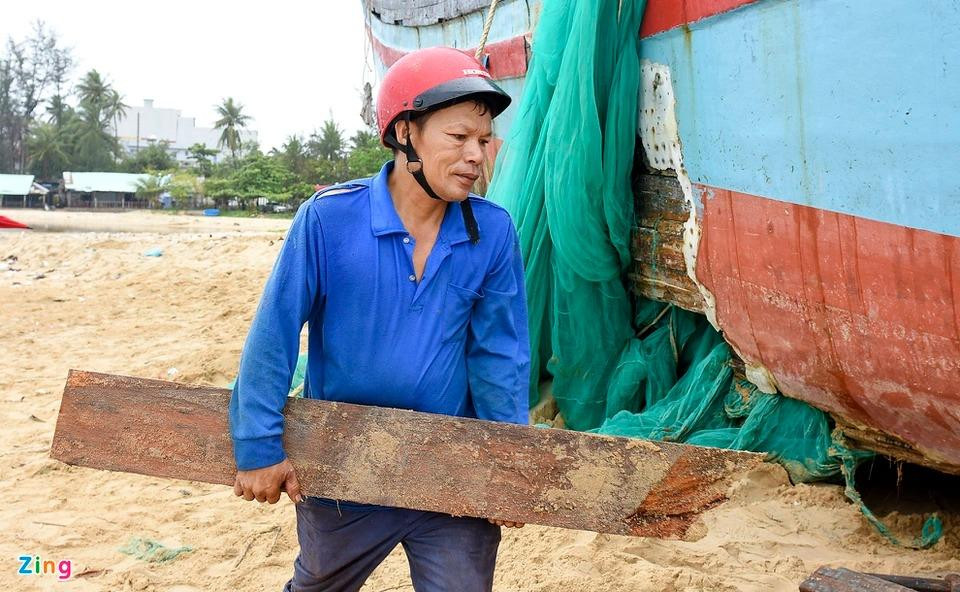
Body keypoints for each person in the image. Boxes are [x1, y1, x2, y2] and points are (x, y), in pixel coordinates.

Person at [228, 46, 531, 592]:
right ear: (405, 133)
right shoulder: (327, 219)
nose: (476, 156)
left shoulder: (492, 232)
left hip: (451, 465)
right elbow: (274, 334)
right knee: (321, 583)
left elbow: (499, 356)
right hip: (342, 461)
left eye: (483, 141)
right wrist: (257, 447)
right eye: (458, 137)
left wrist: (504, 465)